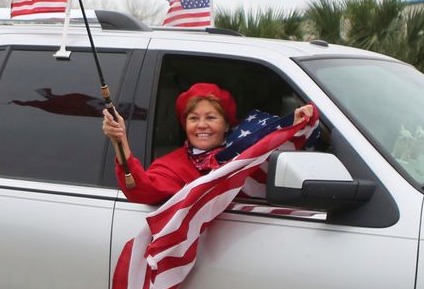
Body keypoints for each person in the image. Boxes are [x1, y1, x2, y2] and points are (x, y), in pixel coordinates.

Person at [100, 82, 313, 205]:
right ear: (185, 125)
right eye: (193, 119)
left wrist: (294, 125)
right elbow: (141, 190)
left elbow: (275, 144)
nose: (202, 125)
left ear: (227, 124)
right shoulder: (172, 166)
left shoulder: (247, 153)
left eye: (211, 118)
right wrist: (121, 142)